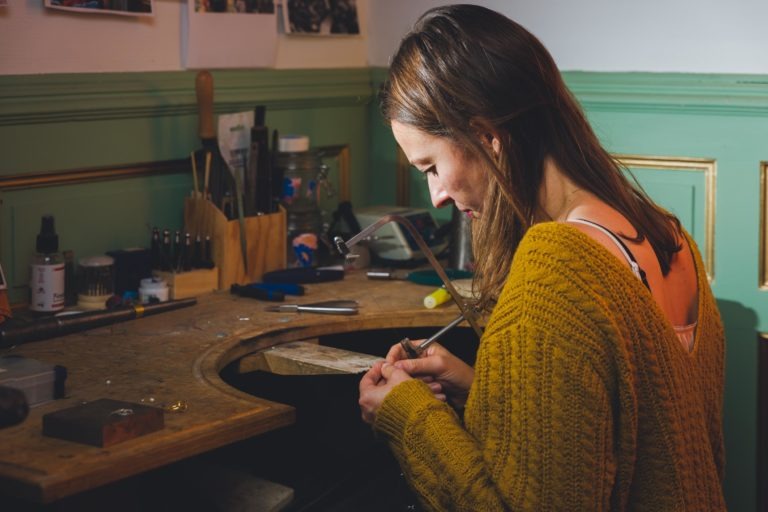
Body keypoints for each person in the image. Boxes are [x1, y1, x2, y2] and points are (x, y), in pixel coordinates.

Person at [358, 4, 726, 511]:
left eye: (431, 166)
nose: (436, 195)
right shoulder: (667, 237)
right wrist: (482, 389)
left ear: (488, 136)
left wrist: (406, 415)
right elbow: (633, 431)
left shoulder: (553, 272)